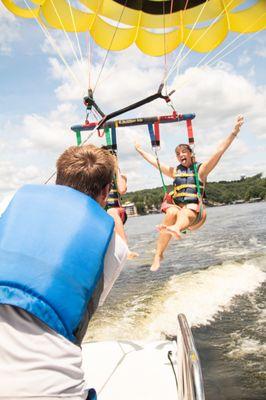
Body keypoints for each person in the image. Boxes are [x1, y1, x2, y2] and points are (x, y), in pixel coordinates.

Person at [0, 144, 128, 399]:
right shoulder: (115, 247)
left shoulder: (8, 204)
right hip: (50, 389)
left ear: (58, 180)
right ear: (106, 191)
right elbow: (80, 315)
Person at [135, 115, 244, 271]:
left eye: (183, 152)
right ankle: (158, 255)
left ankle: (176, 228)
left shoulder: (201, 170)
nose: (180, 155)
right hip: (179, 211)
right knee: (171, 211)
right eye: (178, 154)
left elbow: (219, 151)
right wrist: (140, 151)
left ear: (191, 154)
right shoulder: (174, 172)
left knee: (188, 208)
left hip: (196, 215)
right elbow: (155, 163)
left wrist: (234, 131)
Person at [105, 150, 139, 260]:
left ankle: (125, 249)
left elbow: (122, 189)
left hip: (118, 212)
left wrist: (116, 169)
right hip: (102, 215)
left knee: (111, 212)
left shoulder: (121, 176)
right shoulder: (98, 177)